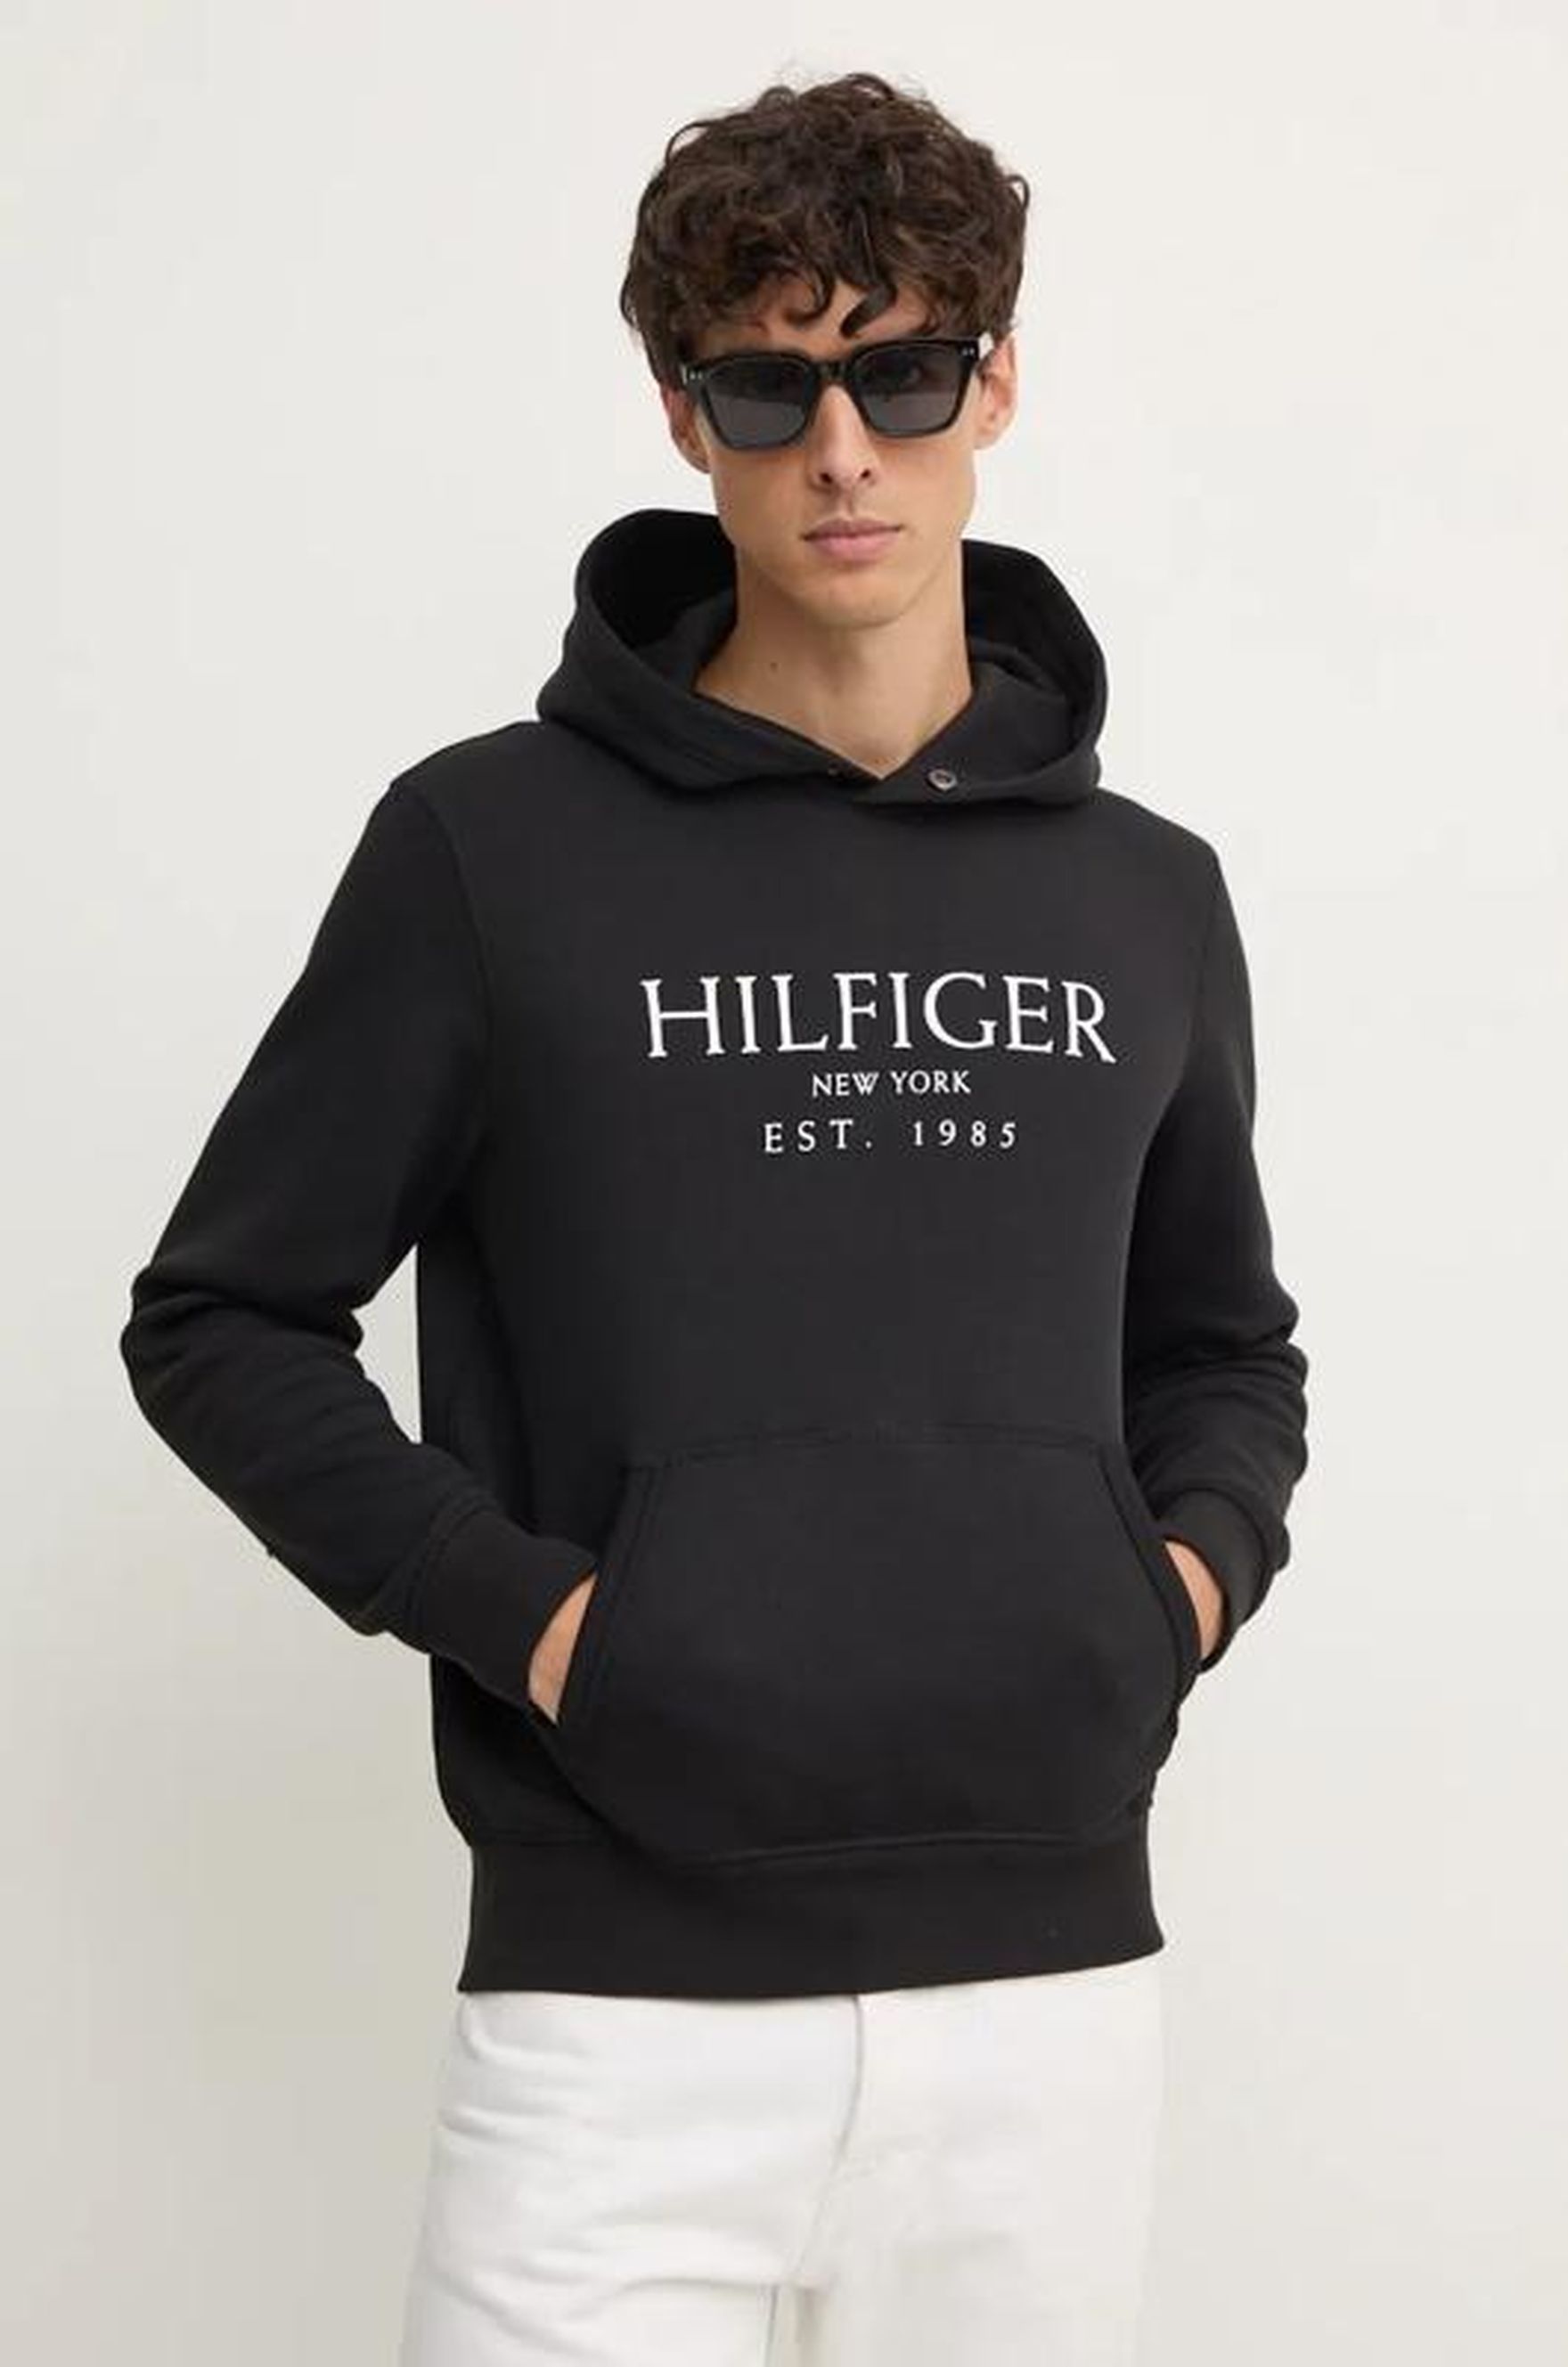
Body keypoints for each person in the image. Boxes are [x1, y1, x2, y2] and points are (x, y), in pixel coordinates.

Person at [119, 67, 1310, 2367]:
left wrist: (1170, 1593)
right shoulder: (489, 850)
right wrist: (550, 1624)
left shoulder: (1145, 895)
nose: (844, 449)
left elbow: (1221, 1345)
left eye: (904, 374)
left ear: (995, 385)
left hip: (1049, 2008)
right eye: (772, 387)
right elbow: (223, 1314)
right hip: (613, 2023)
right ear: (686, 414)